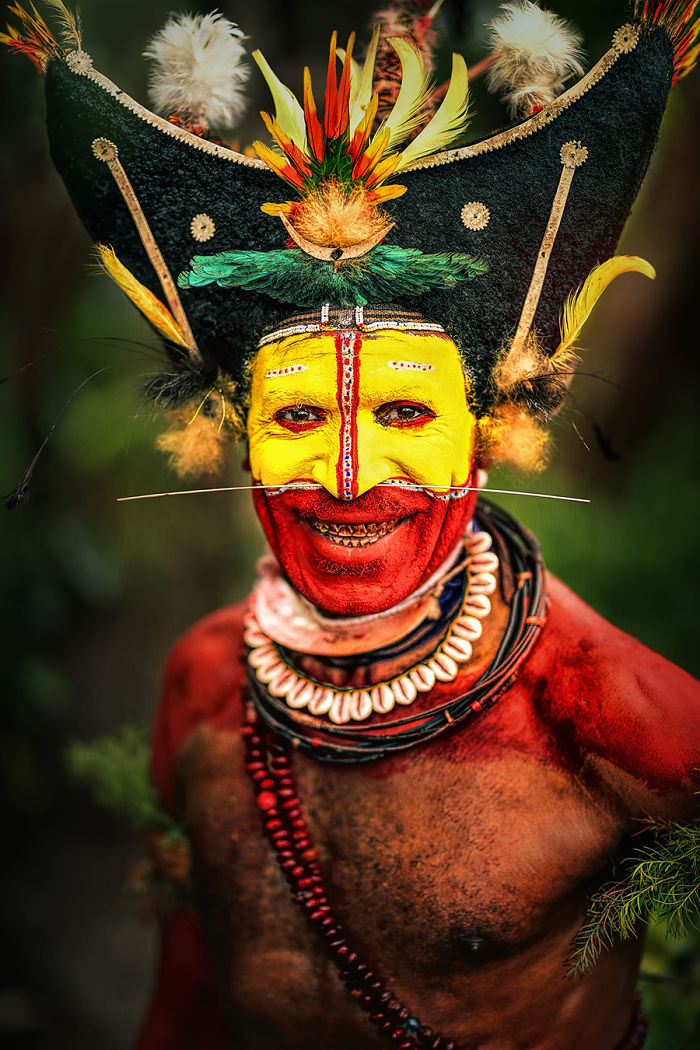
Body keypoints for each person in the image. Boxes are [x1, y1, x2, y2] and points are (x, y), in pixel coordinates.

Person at [4, 2, 699, 1047]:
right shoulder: (203, 683)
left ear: (485, 430)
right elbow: (188, 994)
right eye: (296, 415)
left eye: (404, 412)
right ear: (236, 433)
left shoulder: (611, 714)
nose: (344, 473)